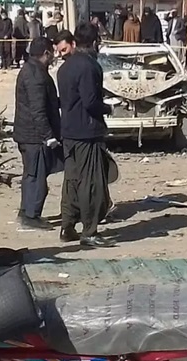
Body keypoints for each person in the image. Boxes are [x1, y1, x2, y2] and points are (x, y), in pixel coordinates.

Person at [57, 23, 113, 248]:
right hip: (86, 132)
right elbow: (90, 102)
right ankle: (89, 231)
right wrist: (108, 108)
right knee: (91, 182)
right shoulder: (88, 66)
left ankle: (67, 226)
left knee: (71, 180)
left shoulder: (65, 67)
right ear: (94, 42)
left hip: (69, 131)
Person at [13, 37, 62, 230]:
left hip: (29, 134)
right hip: (34, 136)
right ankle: (31, 215)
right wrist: (48, 136)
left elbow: (46, 103)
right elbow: (38, 110)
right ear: (46, 53)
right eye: (52, 52)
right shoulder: (35, 75)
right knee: (36, 176)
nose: (54, 57)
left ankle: (27, 211)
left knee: (32, 174)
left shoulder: (32, 70)